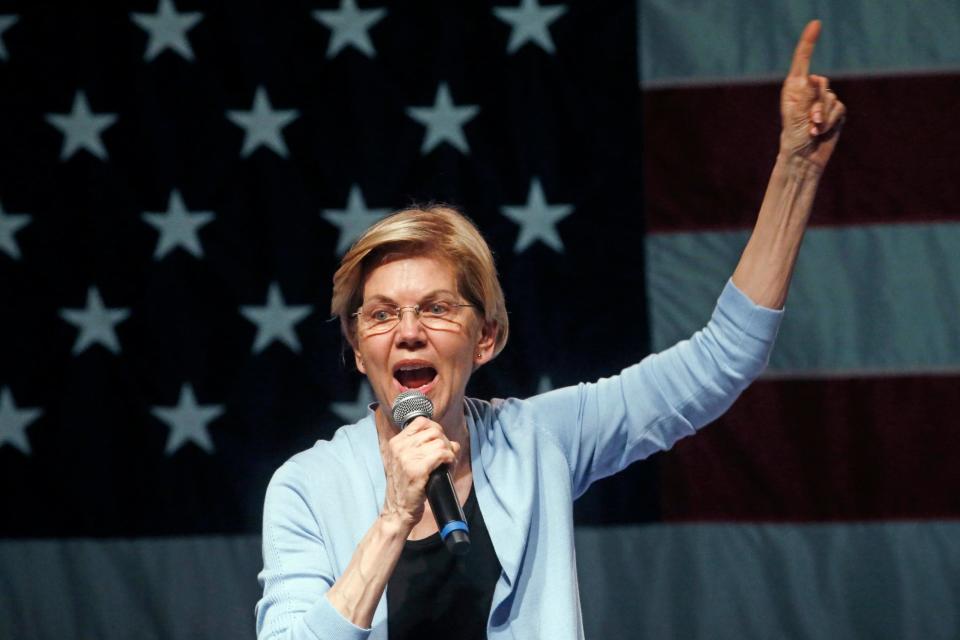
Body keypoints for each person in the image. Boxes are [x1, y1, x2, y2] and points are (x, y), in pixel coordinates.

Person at [255, 19, 845, 640]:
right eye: (380, 315)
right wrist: (394, 515)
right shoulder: (305, 486)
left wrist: (796, 172)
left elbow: (721, 360)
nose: (407, 332)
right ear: (355, 349)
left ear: (485, 337)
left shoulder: (539, 441)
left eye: (435, 308)